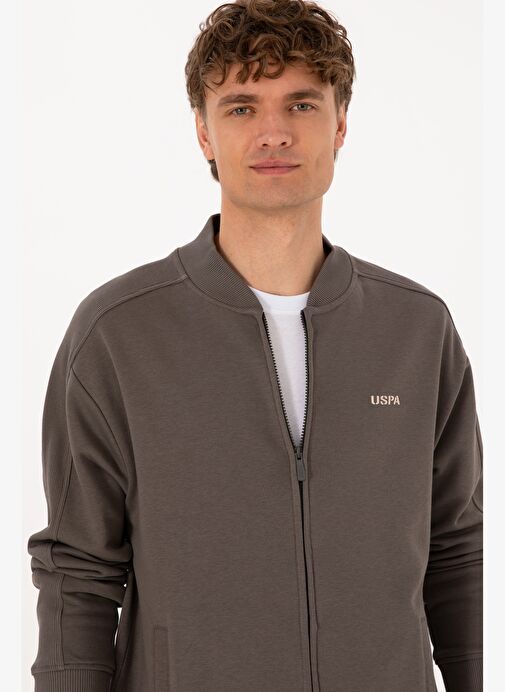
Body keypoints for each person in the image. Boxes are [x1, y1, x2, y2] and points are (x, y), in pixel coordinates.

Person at [27, 1, 483, 691]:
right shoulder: (118, 334)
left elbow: (457, 552)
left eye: (301, 104)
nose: (274, 132)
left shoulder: (417, 329)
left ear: (340, 124)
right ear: (203, 133)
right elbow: (77, 573)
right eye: (241, 108)